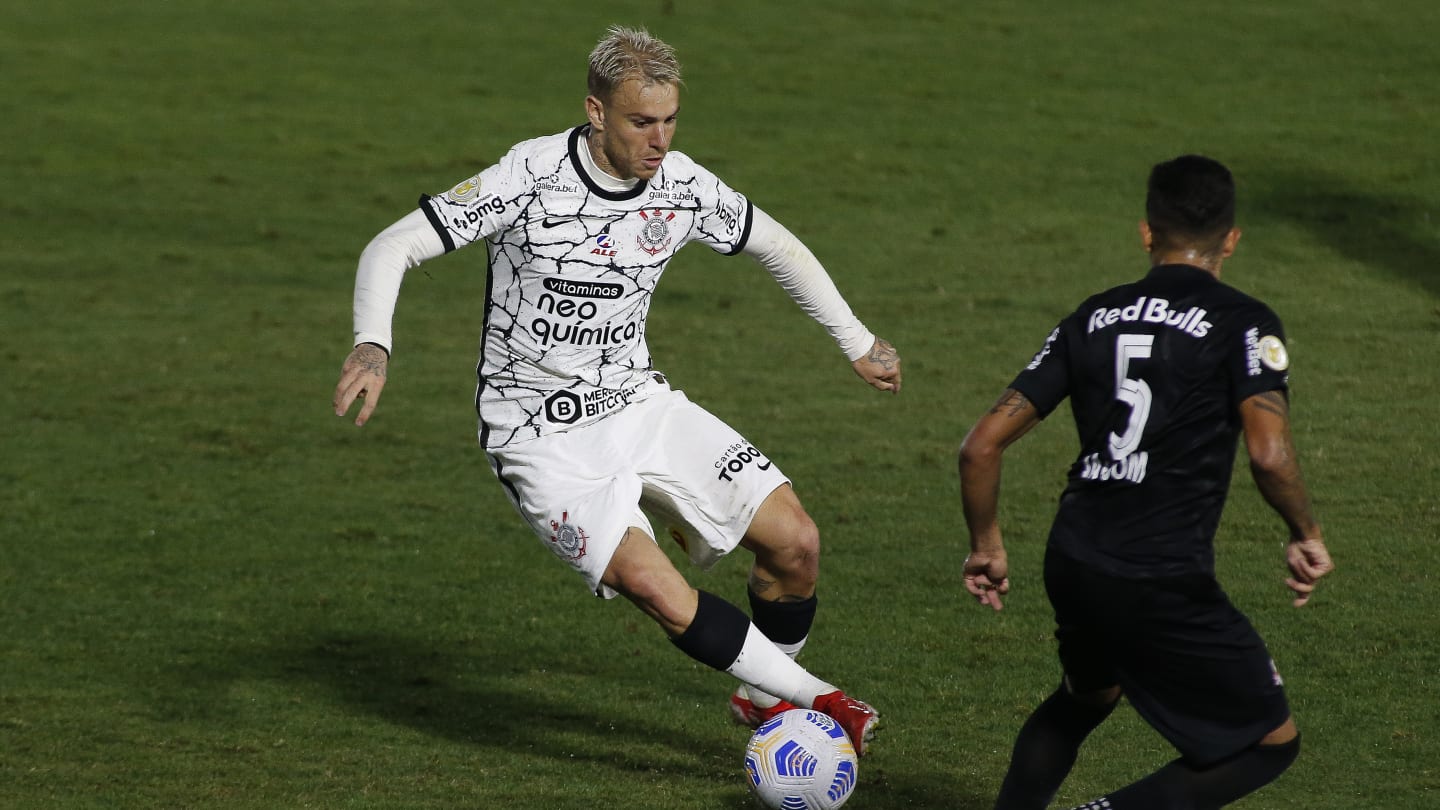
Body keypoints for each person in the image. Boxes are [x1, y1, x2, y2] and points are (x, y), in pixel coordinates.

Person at [331, 25, 897, 754]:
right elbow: (394, 244)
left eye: (668, 122)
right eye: (640, 122)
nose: (658, 142)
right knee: (657, 589)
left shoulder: (683, 186)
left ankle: (766, 697)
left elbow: (775, 245)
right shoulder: (528, 178)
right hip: (539, 436)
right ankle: (822, 702)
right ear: (596, 112)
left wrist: (856, 341)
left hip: (636, 401)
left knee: (796, 543)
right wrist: (374, 343)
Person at [957, 155, 1334, 808]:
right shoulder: (1245, 322)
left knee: (1087, 695)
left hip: (1073, 557)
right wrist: (1305, 531)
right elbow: (1270, 457)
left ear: (1146, 233)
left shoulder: (1093, 317)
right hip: (1156, 574)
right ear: (1233, 239)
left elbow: (980, 446)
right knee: (1269, 743)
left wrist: (987, 542)